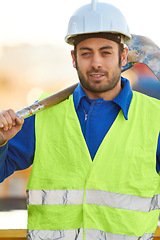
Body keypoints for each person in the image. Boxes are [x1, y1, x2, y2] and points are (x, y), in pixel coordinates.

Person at [0, 0, 160, 239]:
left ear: (124, 56)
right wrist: (1, 142)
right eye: (86, 53)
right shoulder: (41, 116)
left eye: (106, 52)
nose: (96, 62)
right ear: (74, 58)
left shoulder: (155, 118)